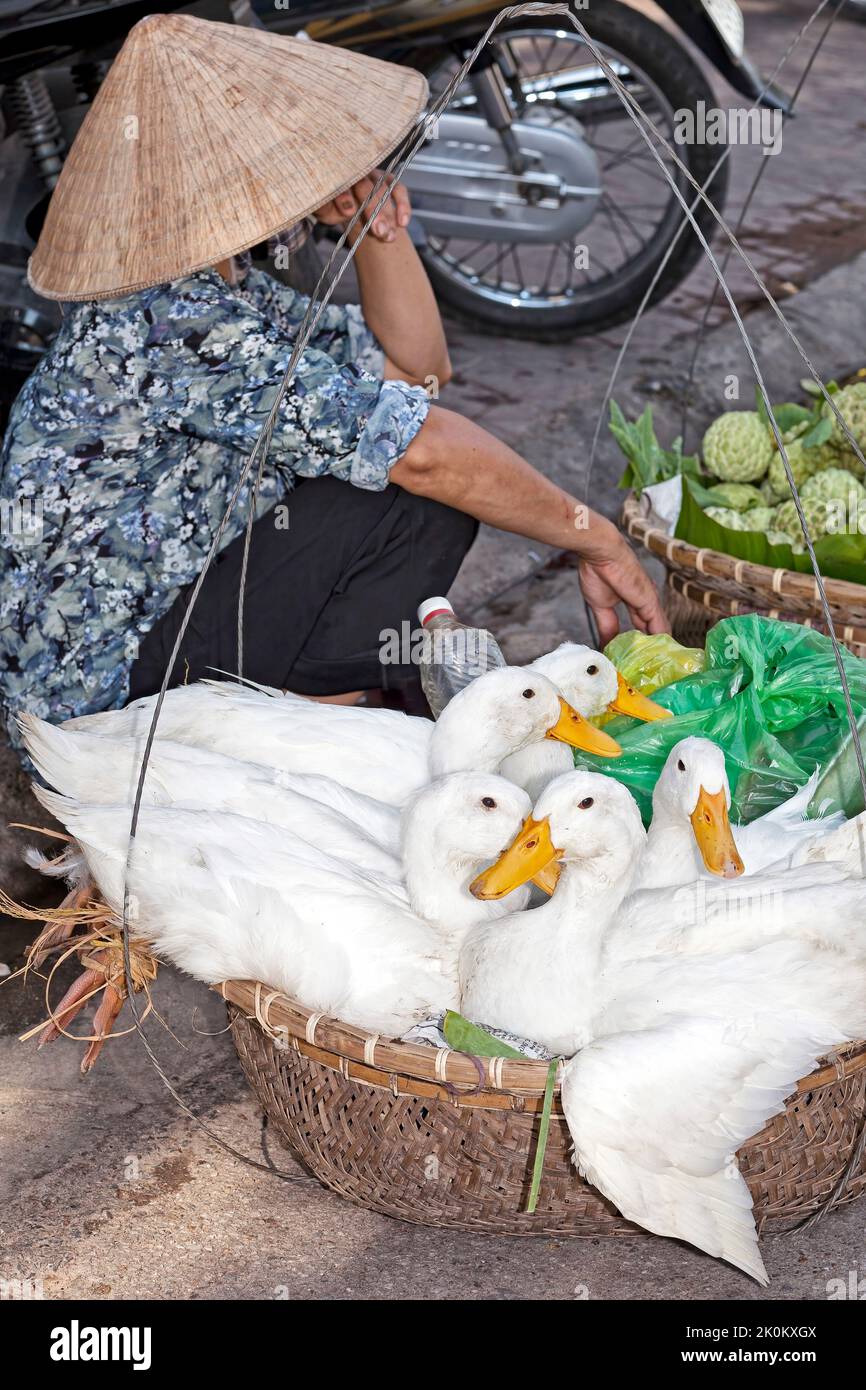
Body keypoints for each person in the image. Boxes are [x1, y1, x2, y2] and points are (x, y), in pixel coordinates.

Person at [0, 13, 667, 750]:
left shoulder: (230, 290)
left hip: (164, 616)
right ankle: (312, 738)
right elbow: (423, 449)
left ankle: (318, 712)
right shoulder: (170, 316)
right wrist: (595, 538)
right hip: (97, 693)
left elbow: (421, 374)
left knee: (415, 485)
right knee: (414, 498)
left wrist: (375, 224)